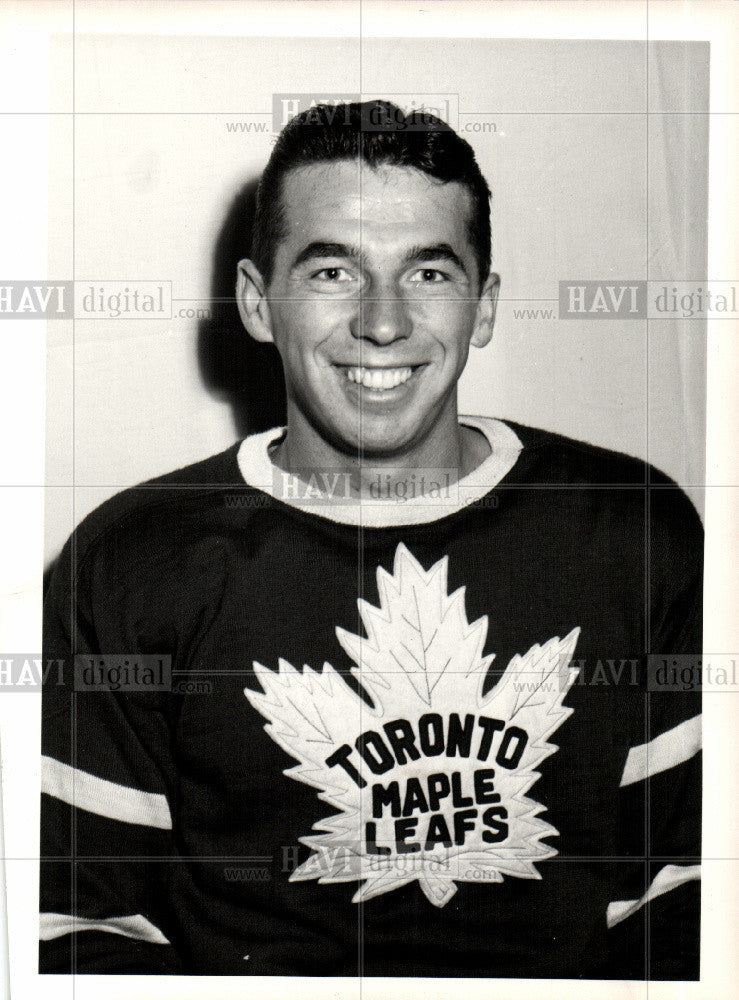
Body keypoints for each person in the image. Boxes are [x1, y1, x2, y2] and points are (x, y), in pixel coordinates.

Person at [40, 100, 702, 979]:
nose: (383, 323)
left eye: (429, 273)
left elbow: (691, 892)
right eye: (332, 273)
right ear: (256, 302)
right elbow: (77, 923)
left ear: (485, 304)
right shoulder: (132, 560)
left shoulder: (630, 523)